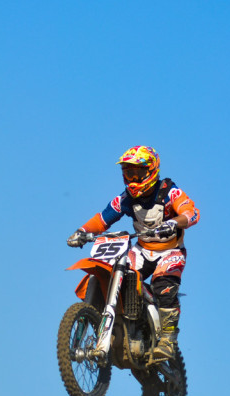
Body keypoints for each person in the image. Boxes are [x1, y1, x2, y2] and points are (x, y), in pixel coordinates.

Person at [67, 145, 200, 362]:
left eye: (138, 173)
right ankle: (113, 321)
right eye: (129, 173)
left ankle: (167, 338)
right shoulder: (126, 199)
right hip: (142, 249)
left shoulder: (168, 191)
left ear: (152, 170)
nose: (134, 178)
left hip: (170, 251)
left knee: (163, 285)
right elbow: (103, 218)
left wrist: (175, 222)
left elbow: (192, 211)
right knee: (111, 272)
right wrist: (82, 232)